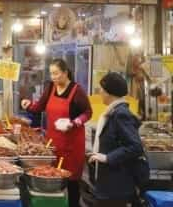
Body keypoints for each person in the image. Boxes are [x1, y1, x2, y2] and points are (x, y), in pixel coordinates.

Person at [21, 58, 92, 207]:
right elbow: (39, 107)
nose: (53, 77)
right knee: (52, 179)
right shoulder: (51, 88)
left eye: (56, 73)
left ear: (65, 73)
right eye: (51, 74)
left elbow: (88, 112)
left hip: (72, 145)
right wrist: (28, 105)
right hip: (53, 143)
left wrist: (74, 123)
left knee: (71, 182)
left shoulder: (76, 90)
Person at [88, 72, 144, 207]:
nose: (99, 92)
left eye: (101, 88)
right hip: (108, 185)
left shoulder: (120, 114)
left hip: (116, 187)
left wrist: (107, 157)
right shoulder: (112, 112)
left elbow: (135, 147)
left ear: (109, 92)